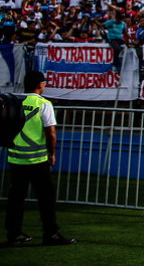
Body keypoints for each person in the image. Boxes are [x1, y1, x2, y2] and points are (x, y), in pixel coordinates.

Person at [5, 70, 76, 246]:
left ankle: (14, 235)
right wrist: (52, 154)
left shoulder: (14, 101)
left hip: (16, 158)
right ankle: (50, 234)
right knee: (46, 199)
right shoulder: (43, 104)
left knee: (16, 200)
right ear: (40, 85)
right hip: (37, 160)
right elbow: (51, 133)